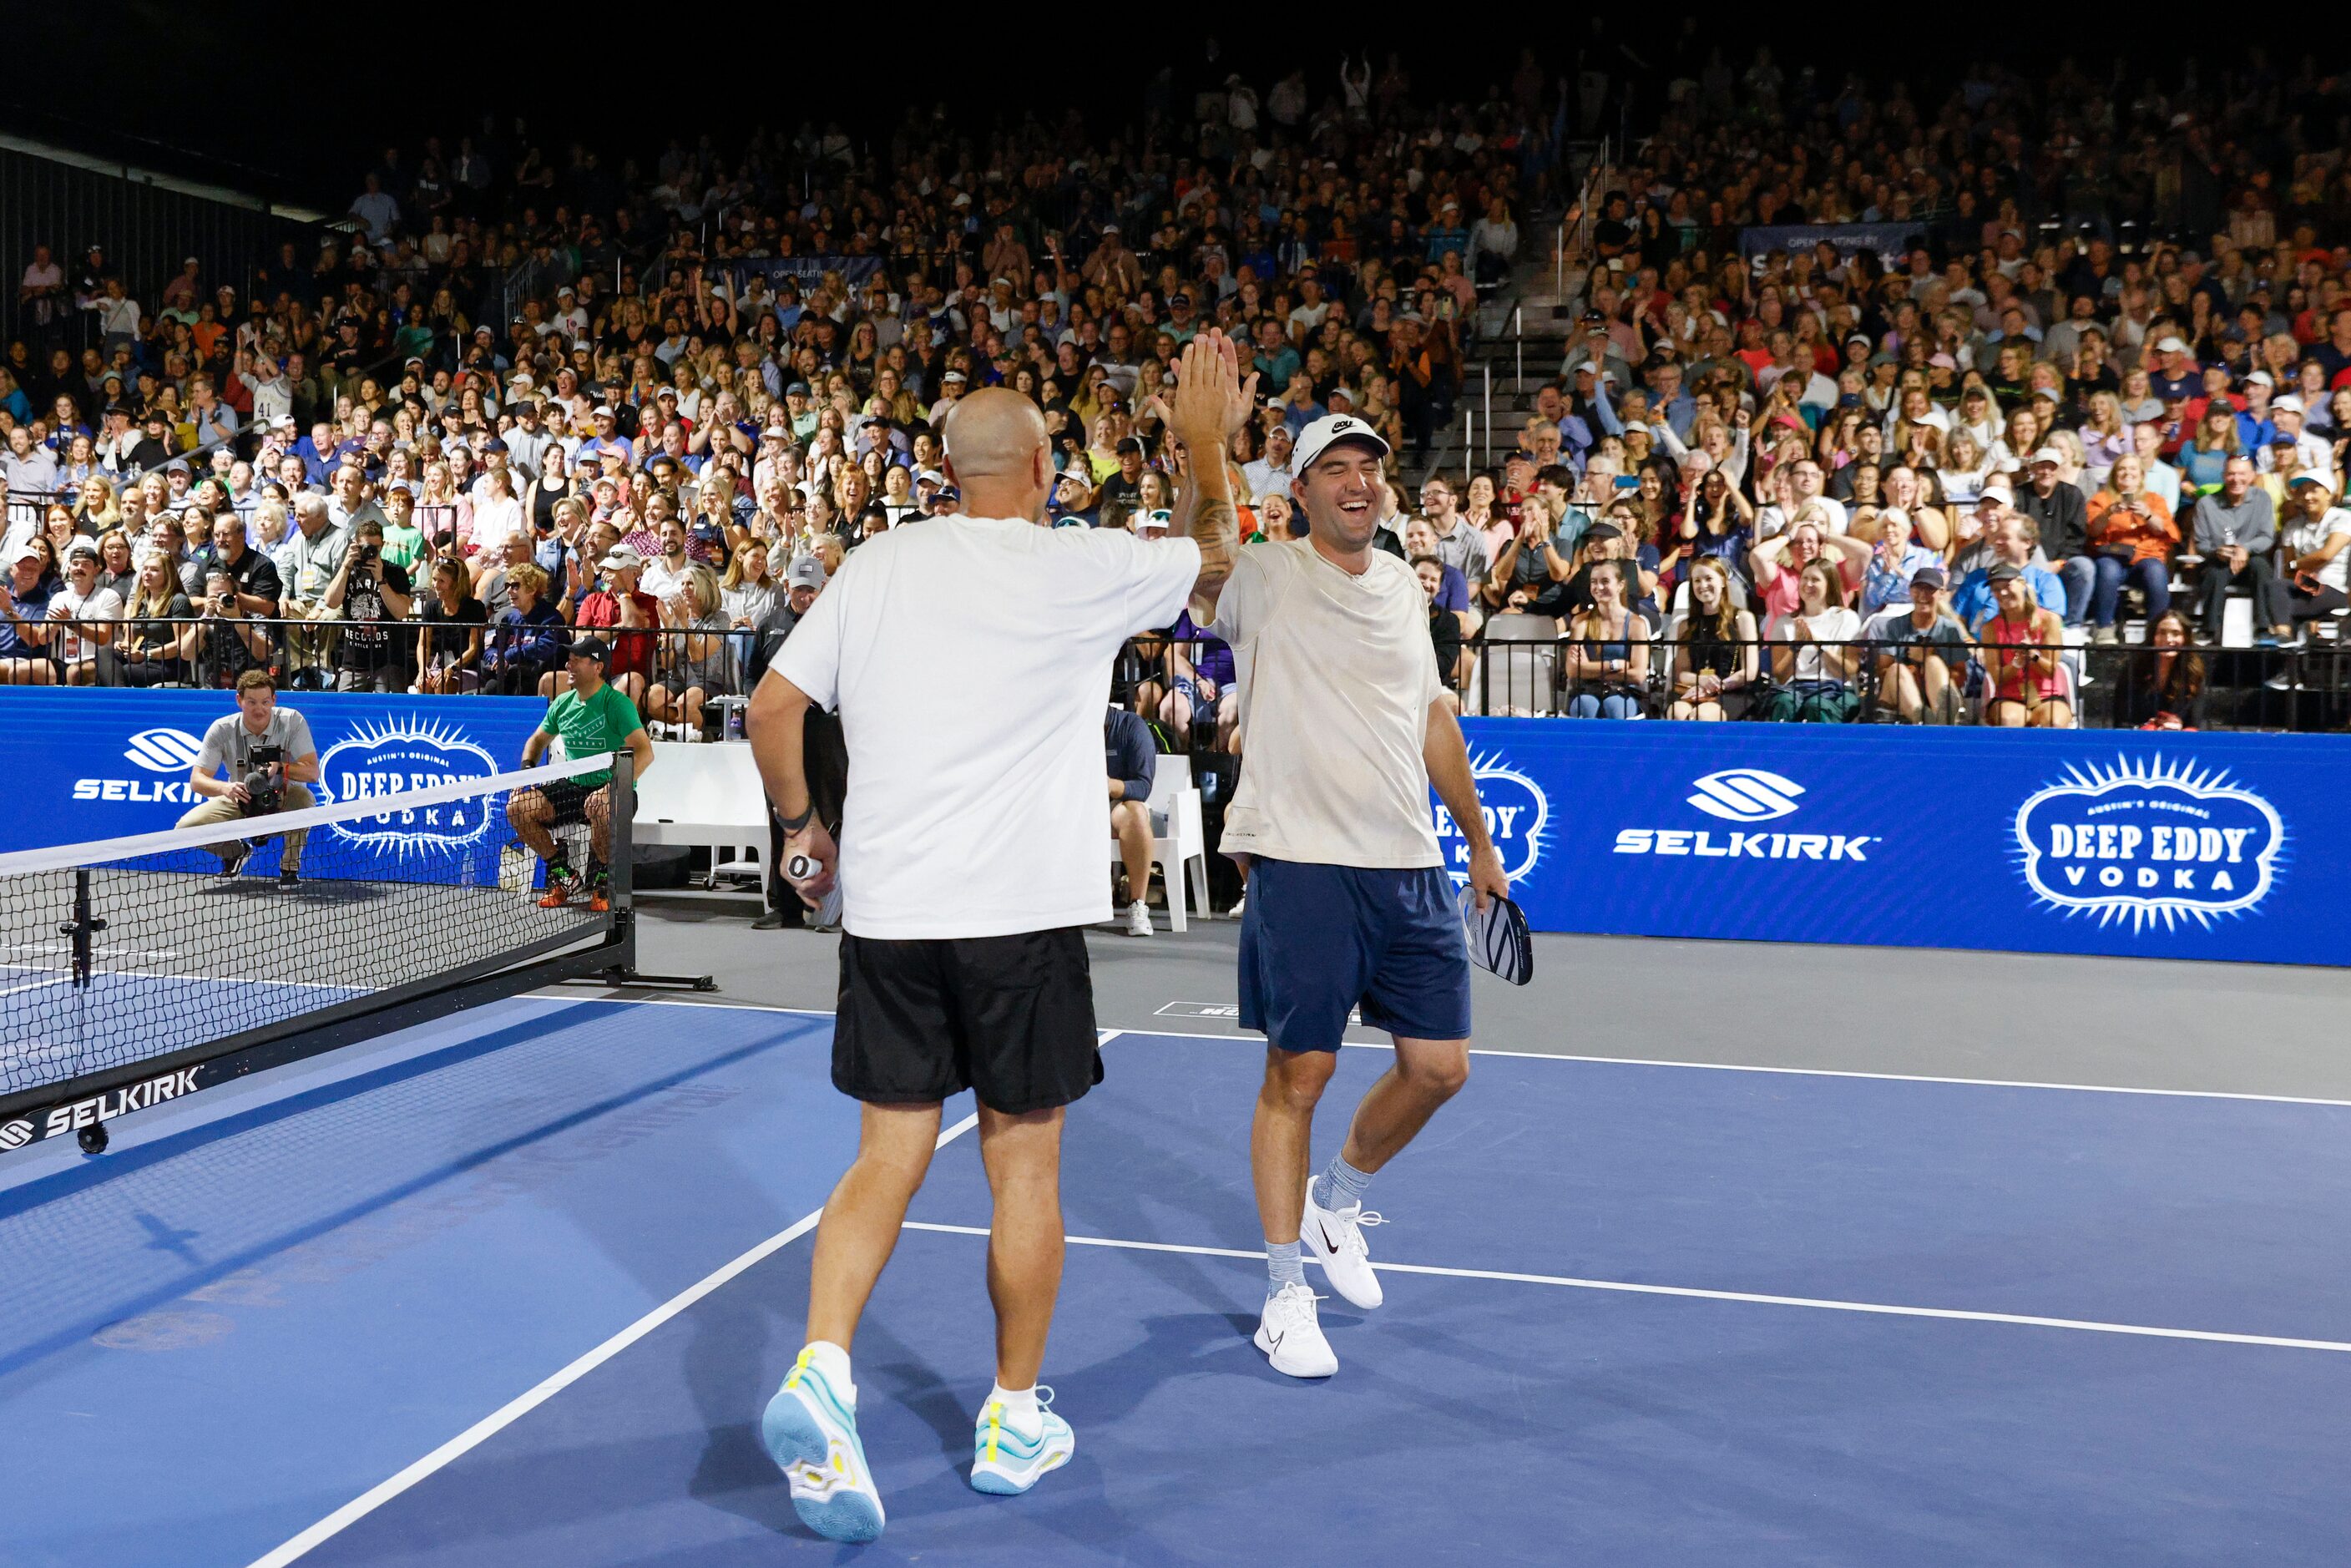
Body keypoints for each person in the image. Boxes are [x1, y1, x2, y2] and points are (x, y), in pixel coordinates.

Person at [742, 357, 1236, 1538]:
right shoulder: (1076, 566)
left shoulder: (878, 563)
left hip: (893, 916)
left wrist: (807, 833)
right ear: (1046, 472)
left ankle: (822, 1366)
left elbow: (772, 712)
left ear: (951, 471)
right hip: (1018, 921)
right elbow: (1211, 561)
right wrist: (1206, 443)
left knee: (886, 1155)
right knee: (1024, 1163)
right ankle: (1013, 1419)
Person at [1192, 391, 1508, 1383]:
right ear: (1297, 492)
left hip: (1408, 863)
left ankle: (1335, 1197)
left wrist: (1480, 842)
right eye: (1335, 467)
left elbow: (1432, 726)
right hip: (1301, 858)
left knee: (1440, 1067)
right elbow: (1201, 549)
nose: (1358, 481)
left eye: (1369, 467)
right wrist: (1205, 444)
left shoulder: (1402, 593)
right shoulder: (1265, 575)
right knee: (1301, 1074)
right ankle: (1283, 1293)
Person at [506, 637, 655, 913]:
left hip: (614, 790)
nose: (568, 664)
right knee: (518, 808)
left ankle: (602, 878)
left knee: (599, 805)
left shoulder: (617, 704)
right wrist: (527, 774)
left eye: (577, 660)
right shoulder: (562, 703)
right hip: (573, 788)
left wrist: (613, 786)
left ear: (598, 667)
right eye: (569, 659)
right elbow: (537, 740)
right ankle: (560, 870)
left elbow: (645, 753)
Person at [175, 670, 323, 888]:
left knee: (304, 799)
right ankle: (235, 852)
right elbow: (197, 780)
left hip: (282, 796)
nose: (259, 709)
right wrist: (226, 789)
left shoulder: (292, 721)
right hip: (240, 797)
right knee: (186, 828)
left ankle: (289, 869)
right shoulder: (222, 729)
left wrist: (281, 767)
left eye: (265, 702)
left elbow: (312, 773)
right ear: (239, 700)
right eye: (251, 702)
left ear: (274, 700)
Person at [2081, 453, 2178, 645]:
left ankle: (2157, 631)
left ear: (2141, 475)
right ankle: (2104, 627)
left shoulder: (2154, 500)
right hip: (2112, 555)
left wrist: (2148, 515)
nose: (2128, 473)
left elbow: (2164, 529)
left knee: (2157, 572)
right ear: (2114, 475)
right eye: (2122, 469)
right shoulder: (2101, 499)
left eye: (2133, 469)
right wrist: (2108, 513)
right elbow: (2093, 531)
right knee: (2107, 570)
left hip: (2145, 557)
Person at [2188, 455, 2283, 645]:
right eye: (2231, 474)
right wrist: (2218, 552)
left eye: (2242, 474)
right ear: (2223, 476)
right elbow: (2201, 543)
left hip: (2253, 557)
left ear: (2252, 476)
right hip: (2218, 559)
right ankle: (2209, 629)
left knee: (2261, 567)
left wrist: (2245, 549)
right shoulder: (2206, 504)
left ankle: (2264, 627)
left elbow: (2267, 537)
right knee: (2215, 573)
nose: (2236, 479)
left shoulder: (2262, 499)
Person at [1762, 560, 1863, 721]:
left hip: (1835, 690)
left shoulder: (1846, 618)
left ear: (1829, 584)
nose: (1808, 584)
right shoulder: (1784, 622)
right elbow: (1781, 676)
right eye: (1804, 579)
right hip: (1793, 689)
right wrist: (1796, 647)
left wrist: (1819, 645)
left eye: (1815, 580)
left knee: (1816, 705)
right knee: (1784, 702)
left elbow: (1846, 671)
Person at [1868, 568, 1969, 723]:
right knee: (1897, 670)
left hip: (1936, 692)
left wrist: (1927, 660)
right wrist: (1913, 670)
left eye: (1930, 589)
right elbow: (1883, 671)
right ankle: (1922, 717)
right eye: (1918, 589)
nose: (1923, 595)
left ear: (1941, 592)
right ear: (1910, 591)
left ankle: (1943, 714)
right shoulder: (1893, 626)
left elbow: (1960, 676)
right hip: (1900, 693)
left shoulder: (1951, 629)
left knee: (1933, 663)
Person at [323, 518, 413, 691]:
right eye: (365, 547)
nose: (370, 552)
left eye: (375, 548)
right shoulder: (347, 570)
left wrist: (380, 579)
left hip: (388, 659)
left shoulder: (395, 572)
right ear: (355, 545)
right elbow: (331, 602)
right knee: (346, 708)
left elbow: (401, 612)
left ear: (383, 545)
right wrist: (346, 566)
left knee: (388, 711)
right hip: (354, 660)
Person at [1979, 563, 2072, 726]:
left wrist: (2033, 656)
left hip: (2048, 696)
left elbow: (2050, 671)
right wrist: (2016, 663)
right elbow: (1996, 677)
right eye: (1996, 589)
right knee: (2009, 720)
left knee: (2053, 722)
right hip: (2010, 697)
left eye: (2007, 585)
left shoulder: (2049, 620)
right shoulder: (1990, 628)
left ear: (2022, 583)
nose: (2002, 593)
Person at [1668, 556, 1759, 720]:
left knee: (1701, 715)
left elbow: (1750, 672)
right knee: (1677, 712)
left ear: (1723, 581)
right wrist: (1701, 681)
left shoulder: (1743, 619)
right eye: (1697, 581)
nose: (1703, 586)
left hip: (1732, 691)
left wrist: (1718, 686)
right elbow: (1681, 672)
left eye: (1709, 578)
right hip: (1696, 689)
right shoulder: (1686, 625)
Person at [1561, 559, 1648, 717]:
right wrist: (1616, 665)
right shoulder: (1580, 622)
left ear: (1620, 585)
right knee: (1586, 705)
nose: (1598, 587)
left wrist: (1589, 668)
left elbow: (1638, 675)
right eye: (1594, 582)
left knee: (1615, 705)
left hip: (1624, 691)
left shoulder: (1636, 624)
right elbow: (1573, 671)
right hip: (1587, 690)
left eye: (1605, 581)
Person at [1106, 704, 1159, 938]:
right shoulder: (1069, 725)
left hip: (1119, 803)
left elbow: (1143, 786)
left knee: (1134, 813)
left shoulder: (1131, 726)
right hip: (1076, 803)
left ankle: (1138, 903)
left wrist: (1111, 785)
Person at [2114, 609, 2207, 729]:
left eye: (2176, 633)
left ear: (2185, 639)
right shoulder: (2134, 667)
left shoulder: (2194, 672)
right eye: (2162, 633)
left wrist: (2178, 729)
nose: (2168, 639)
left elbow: (2194, 724)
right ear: (2153, 637)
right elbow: (2122, 719)